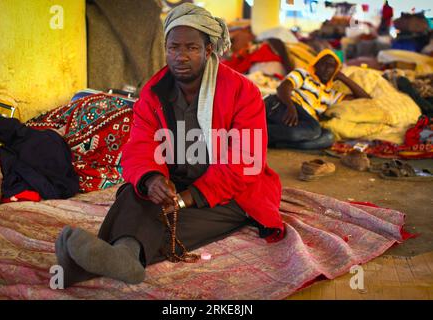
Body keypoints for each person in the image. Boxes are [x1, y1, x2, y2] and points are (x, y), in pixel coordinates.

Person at [54, 3, 285, 288]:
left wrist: (188, 198)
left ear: (208, 50)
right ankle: (122, 259)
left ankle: (96, 264)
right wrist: (152, 179)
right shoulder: (154, 91)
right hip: (176, 180)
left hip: (231, 194)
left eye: (191, 48)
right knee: (134, 192)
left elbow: (245, 161)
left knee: (166, 216)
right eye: (173, 47)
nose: (180, 57)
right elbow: (140, 146)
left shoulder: (242, 91)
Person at [266, 49, 371, 149]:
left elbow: (364, 98)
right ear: (316, 64)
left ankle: (276, 142)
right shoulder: (304, 74)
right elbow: (282, 88)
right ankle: (256, 132)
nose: (327, 68)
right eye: (323, 63)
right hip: (281, 105)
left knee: (328, 137)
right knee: (314, 129)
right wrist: (291, 107)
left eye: (331, 66)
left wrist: (343, 78)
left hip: (302, 122)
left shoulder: (330, 95)